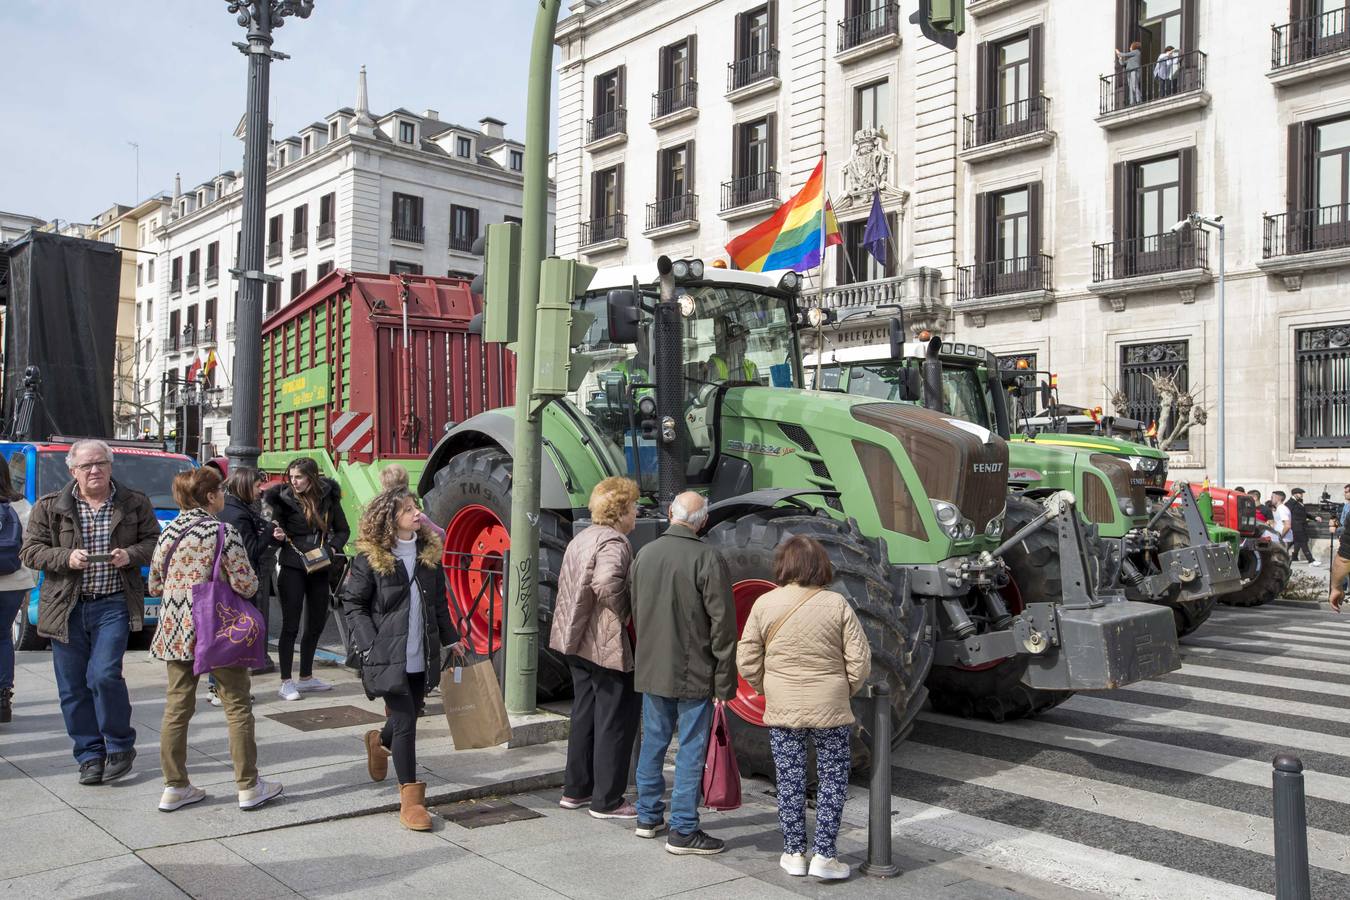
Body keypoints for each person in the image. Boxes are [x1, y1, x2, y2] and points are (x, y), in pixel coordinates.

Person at [18, 439, 159, 785]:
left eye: (100, 464)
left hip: (112, 602)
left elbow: (155, 542)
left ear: (111, 466)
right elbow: (30, 552)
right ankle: (89, 755)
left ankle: (120, 745)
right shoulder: (51, 506)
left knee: (104, 675)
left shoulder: (134, 502)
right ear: (73, 470)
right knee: (72, 687)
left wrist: (131, 554)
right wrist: (65, 558)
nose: (94, 470)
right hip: (66, 606)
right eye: (86, 466)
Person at [736, 535, 872, 881]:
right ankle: (825, 855)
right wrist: (842, 688)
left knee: (790, 778)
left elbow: (747, 658)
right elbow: (859, 661)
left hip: (783, 708)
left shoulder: (765, 604)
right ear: (820, 566)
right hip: (830, 706)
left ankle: (794, 853)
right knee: (832, 777)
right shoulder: (837, 604)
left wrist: (768, 688)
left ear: (784, 565)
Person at [150, 467, 283, 812]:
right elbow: (247, 584)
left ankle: (174, 786)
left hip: (176, 629)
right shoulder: (222, 531)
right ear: (210, 497)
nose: (224, 495)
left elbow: (154, 585)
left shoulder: (168, 533)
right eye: (220, 490)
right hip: (217, 629)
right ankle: (248, 786)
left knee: (177, 707)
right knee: (237, 705)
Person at [341, 488, 461, 831]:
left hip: (420, 653)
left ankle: (378, 742)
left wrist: (452, 640)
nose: (416, 513)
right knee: (406, 719)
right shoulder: (369, 559)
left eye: (416, 507)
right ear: (389, 519)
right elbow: (354, 605)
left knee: (413, 711)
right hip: (386, 654)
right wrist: (369, 646)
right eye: (407, 509)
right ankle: (411, 800)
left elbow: (438, 604)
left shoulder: (428, 557)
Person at [629, 491, 736, 855]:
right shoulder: (707, 557)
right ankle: (684, 829)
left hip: (652, 666)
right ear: (702, 521)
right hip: (694, 670)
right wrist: (725, 680)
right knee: (691, 749)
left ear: (671, 513)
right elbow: (723, 626)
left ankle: (647, 817)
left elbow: (634, 609)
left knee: (654, 744)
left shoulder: (644, 554)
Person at [551, 477, 642, 819]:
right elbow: (605, 582)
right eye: (632, 507)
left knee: (584, 714)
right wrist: (626, 610)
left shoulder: (582, 538)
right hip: (604, 643)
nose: (635, 513)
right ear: (620, 512)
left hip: (574, 640)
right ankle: (608, 800)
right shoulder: (615, 542)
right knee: (613, 719)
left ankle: (575, 790)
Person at [263, 458, 350, 701]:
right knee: (290, 624)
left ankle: (306, 676)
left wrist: (333, 547)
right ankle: (286, 681)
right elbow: (271, 528)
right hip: (292, 565)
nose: (294, 481)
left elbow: (343, 529)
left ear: (311, 477)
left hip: (320, 565)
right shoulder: (283, 499)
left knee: (315, 623)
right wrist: (276, 533)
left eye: (299, 477)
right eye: (291, 477)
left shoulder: (328, 498)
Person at [215, 467, 282, 697]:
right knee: (237, 637)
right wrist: (270, 530)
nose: (259, 490)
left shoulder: (229, 507)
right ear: (244, 485)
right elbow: (251, 550)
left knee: (225, 635)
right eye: (255, 486)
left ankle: (218, 688)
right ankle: (229, 690)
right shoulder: (238, 515)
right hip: (239, 584)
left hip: (226, 582)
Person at [0, 455, 37, 724]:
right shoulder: (22, 504)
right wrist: (28, 584)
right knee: (2, 637)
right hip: (13, 582)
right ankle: (2, 696)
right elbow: (32, 548)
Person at [378, 465, 444, 538]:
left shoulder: (378, 518)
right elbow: (440, 534)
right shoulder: (419, 518)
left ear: (384, 488)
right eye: (409, 509)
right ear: (406, 484)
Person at [1287, 488, 1318, 566]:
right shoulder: (1290, 503)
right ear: (1294, 494)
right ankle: (1311, 560)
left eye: (1302, 493)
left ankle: (1294, 557)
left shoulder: (1299, 502)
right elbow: (1287, 513)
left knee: (1295, 542)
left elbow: (1304, 513)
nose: (1301, 495)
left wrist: (1314, 518)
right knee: (1303, 542)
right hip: (1296, 526)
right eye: (1300, 493)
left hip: (1301, 525)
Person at [1115, 41, 1143, 105]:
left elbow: (1125, 54)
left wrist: (1119, 52)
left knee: (1134, 86)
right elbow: (1122, 64)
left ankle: (1139, 100)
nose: (1130, 48)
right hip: (1129, 72)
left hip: (1134, 71)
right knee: (1130, 87)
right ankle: (1132, 102)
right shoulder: (1130, 59)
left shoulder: (1137, 52)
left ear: (1134, 46)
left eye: (1131, 47)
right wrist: (1120, 59)